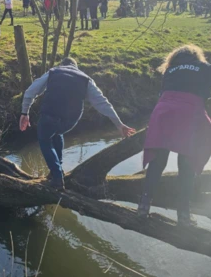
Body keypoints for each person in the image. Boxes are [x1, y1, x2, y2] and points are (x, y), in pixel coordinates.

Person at [137, 45, 211, 226]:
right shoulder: (204, 68)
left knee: (157, 163)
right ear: (197, 57)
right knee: (186, 166)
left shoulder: (170, 71)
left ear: (173, 59)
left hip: (162, 113)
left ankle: (143, 207)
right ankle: (183, 215)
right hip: (188, 115)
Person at [19, 57, 136, 189]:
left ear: (62, 65)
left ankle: (57, 177)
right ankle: (57, 170)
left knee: (45, 139)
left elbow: (30, 92)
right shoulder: (85, 79)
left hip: (49, 116)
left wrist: (25, 113)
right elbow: (103, 103)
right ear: (76, 67)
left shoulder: (54, 72)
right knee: (58, 133)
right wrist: (119, 124)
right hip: (70, 121)